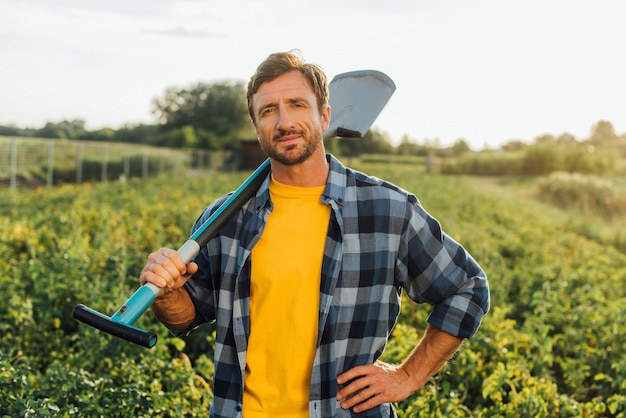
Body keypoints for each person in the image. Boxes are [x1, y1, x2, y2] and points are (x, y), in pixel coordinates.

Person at [139, 50, 490, 418]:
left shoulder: (386, 210)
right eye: (268, 110)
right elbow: (187, 315)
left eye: (297, 104)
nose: (284, 121)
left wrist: (408, 376)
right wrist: (168, 294)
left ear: (325, 115)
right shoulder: (224, 217)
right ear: (257, 126)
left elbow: (467, 288)